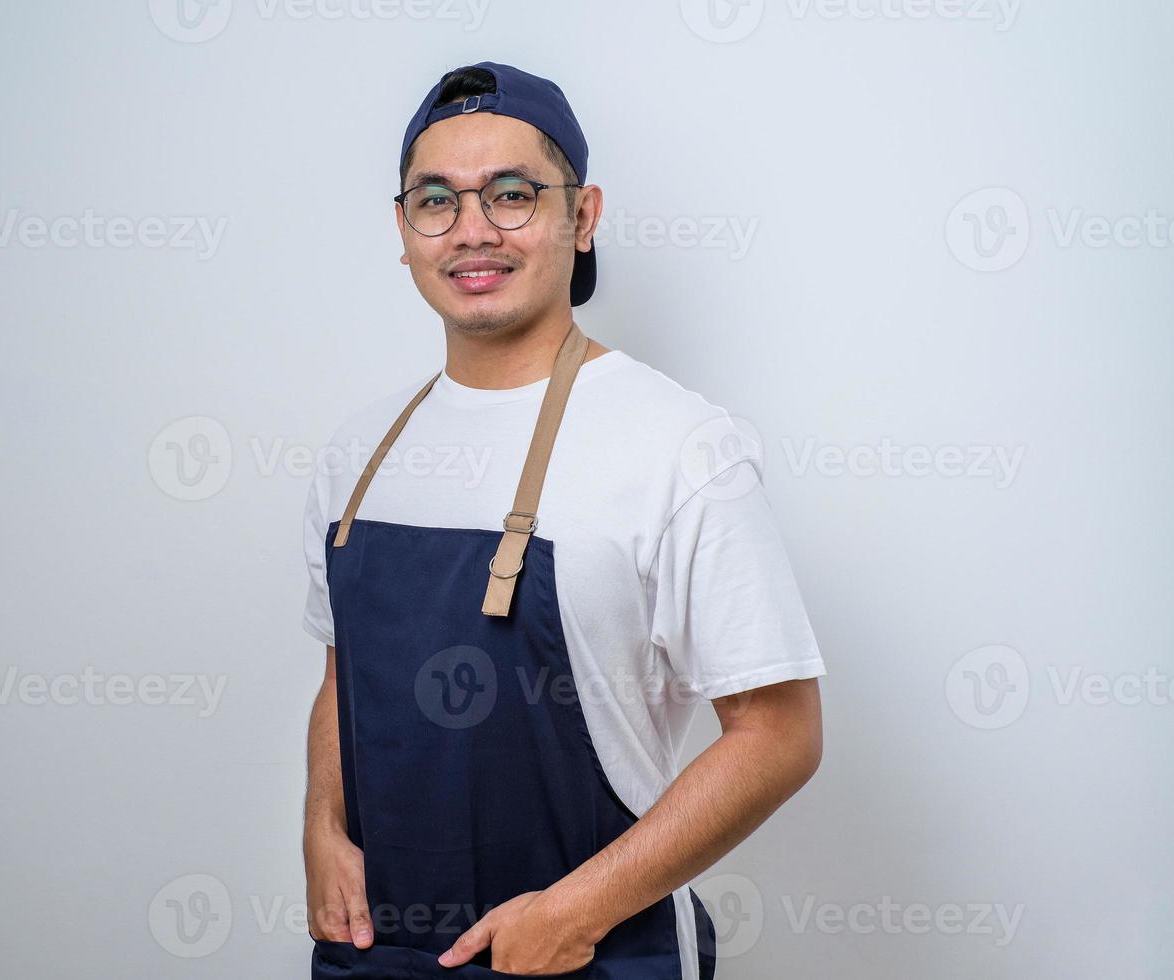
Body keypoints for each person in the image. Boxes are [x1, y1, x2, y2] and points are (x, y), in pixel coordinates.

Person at [300, 60, 825, 980]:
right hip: (377, 957)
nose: (472, 232)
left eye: (511, 195)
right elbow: (346, 676)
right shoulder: (358, 456)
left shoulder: (681, 449)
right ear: (403, 227)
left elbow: (780, 733)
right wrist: (322, 827)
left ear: (580, 217)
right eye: (437, 200)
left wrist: (576, 914)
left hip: (592, 956)